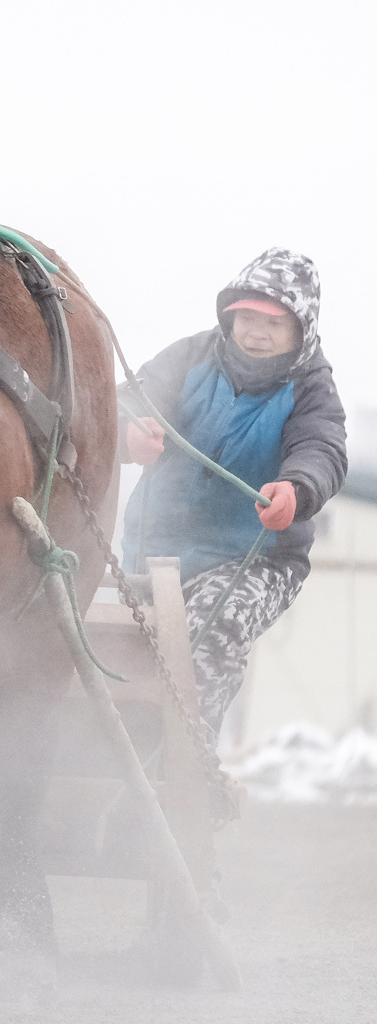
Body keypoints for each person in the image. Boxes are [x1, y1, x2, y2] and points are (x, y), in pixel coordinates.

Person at [117, 248, 347, 744]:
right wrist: (129, 432)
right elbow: (125, 401)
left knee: (214, 626)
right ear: (229, 315)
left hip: (256, 560)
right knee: (107, 647)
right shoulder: (188, 357)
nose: (256, 333)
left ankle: (186, 761)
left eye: (274, 323)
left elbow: (321, 447)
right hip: (153, 549)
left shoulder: (312, 389)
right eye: (247, 317)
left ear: (301, 329)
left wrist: (296, 489)